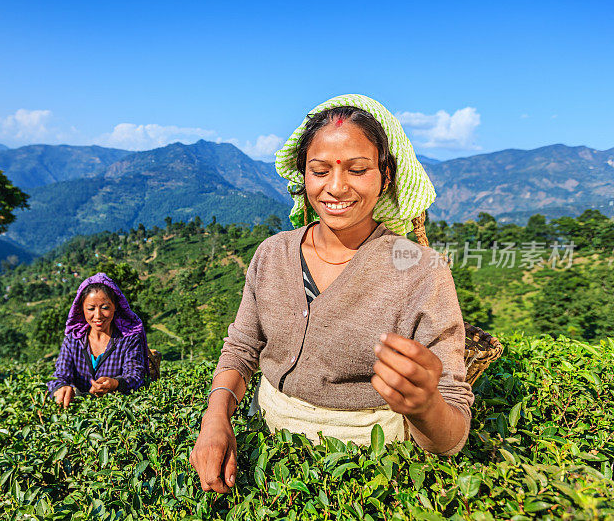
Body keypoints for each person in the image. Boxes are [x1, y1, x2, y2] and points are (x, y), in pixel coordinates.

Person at [190, 94, 474, 494]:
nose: (336, 187)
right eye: (319, 170)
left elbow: (451, 435)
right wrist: (215, 418)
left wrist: (426, 408)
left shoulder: (422, 270)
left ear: (385, 176)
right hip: (266, 444)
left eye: (357, 170)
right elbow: (241, 347)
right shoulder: (272, 254)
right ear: (302, 176)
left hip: (368, 470)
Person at [48, 272, 149, 406]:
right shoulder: (73, 340)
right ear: (82, 309)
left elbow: (135, 375)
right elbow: (60, 375)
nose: (98, 316)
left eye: (105, 308)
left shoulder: (128, 339)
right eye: (90, 308)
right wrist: (61, 387)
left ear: (115, 306)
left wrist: (115, 384)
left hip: (116, 412)